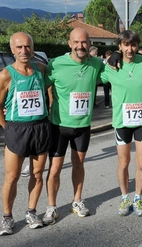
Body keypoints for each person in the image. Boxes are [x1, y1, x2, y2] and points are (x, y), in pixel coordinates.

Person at [43, 28, 105, 225]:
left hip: (83, 126)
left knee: (78, 164)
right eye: (76, 42)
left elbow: (113, 73)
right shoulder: (56, 64)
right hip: (59, 125)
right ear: (69, 43)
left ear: (89, 43)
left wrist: (116, 57)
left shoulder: (95, 64)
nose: (80, 46)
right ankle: (51, 206)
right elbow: (39, 86)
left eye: (84, 42)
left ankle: (77, 200)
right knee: (55, 169)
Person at [0, 32, 50, 235]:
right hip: (16, 129)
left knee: (37, 174)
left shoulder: (41, 69)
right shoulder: (6, 75)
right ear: (12, 50)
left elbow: (57, 86)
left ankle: (31, 212)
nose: (24, 51)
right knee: (12, 176)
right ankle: (7, 217)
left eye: (27, 46)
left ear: (32, 48)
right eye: (19, 47)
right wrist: (7, 127)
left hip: (40, 128)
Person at [100, 30, 142, 216]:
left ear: (137, 46)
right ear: (120, 46)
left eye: (133, 45)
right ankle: (125, 198)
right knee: (123, 162)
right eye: (126, 45)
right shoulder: (111, 67)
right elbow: (93, 74)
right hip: (122, 121)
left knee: (141, 163)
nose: (130, 49)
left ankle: (138, 198)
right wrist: (108, 59)